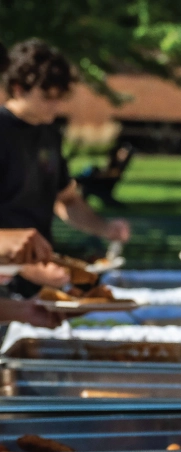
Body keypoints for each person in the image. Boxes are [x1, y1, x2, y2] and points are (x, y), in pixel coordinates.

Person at [0, 39, 129, 295]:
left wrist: (105, 228)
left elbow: (66, 200)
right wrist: (23, 265)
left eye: (60, 97)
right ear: (18, 88)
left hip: (40, 276)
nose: (56, 106)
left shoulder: (50, 133)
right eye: (47, 97)